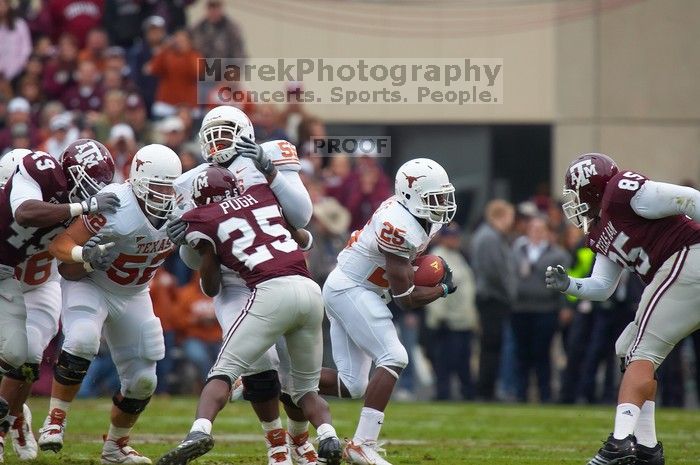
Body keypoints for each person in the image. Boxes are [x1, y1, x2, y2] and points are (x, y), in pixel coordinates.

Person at [157, 166, 342, 465]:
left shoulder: (201, 217)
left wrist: (198, 245)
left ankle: (199, 431)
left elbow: (212, 286)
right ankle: (329, 435)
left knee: (223, 371)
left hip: (269, 292)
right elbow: (301, 235)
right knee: (305, 388)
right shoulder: (262, 194)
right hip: (309, 289)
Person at [168, 105, 318, 465]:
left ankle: (300, 437)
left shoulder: (271, 154)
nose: (218, 141)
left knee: (292, 368)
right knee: (259, 366)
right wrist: (186, 240)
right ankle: (277, 444)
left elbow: (301, 216)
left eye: (226, 132)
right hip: (234, 280)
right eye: (211, 134)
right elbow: (196, 266)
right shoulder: (189, 181)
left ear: (246, 132)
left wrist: (270, 170)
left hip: (276, 270)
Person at [545, 152, 700, 465]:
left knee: (640, 352)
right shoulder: (601, 229)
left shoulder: (622, 193)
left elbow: (690, 199)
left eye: (577, 194)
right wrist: (569, 285)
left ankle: (619, 443)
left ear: (591, 188)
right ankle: (647, 446)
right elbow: (603, 287)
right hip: (680, 270)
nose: (574, 203)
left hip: (688, 259)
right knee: (627, 347)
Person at [39, 144, 182, 464]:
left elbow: (194, 258)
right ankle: (55, 419)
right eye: (157, 187)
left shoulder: (181, 207)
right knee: (83, 338)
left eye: (169, 187)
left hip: (134, 293)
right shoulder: (116, 205)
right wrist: (87, 257)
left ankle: (115, 447)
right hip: (92, 284)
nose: (164, 196)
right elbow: (60, 248)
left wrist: (191, 239)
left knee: (145, 380)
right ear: (138, 181)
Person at [318, 158, 457, 465]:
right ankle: (362, 444)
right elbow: (405, 299)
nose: (442, 204)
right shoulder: (398, 225)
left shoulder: (420, 217)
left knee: (351, 384)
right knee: (395, 356)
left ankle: (271, 380)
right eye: (434, 198)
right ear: (411, 196)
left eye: (444, 196)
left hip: (357, 288)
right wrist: (443, 288)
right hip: (352, 289)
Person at [0, 141, 118, 462]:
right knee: (12, 353)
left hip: (40, 284)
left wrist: (90, 259)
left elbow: (68, 268)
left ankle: (9, 421)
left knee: (27, 360)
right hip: (5, 278)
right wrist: (83, 207)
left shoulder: (75, 202)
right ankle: (13, 414)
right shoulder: (35, 174)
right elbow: (25, 213)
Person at [511, 216, 570, 402]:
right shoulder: (518, 250)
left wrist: (564, 307)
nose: (536, 232)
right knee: (521, 353)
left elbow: (564, 283)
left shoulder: (558, 254)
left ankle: (545, 394)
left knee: (542, 353)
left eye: (540, 228)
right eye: (533, 228)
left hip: (546, 308)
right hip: (520, 308)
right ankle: (521, 393)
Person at [425, 222, 478, 401]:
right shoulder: (436, 257)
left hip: (463, 319)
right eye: (450, 236)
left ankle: (466, 393)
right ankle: (443, 393)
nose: (454, 239)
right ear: (444, 237)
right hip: (447, 321)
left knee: (463, 360)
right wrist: (438, 315)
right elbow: (433, 287)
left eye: (456, 236)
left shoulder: (459, 256)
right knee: (445, 362)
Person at [470, 199, 516, 401]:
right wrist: (509, 293)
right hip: (492, 298)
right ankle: (485, 389)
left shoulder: (489, 236)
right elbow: (495, 272)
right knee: (491, 345)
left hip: (491, 297)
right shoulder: (489, 238)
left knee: (492, 345)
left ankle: (486, 388)